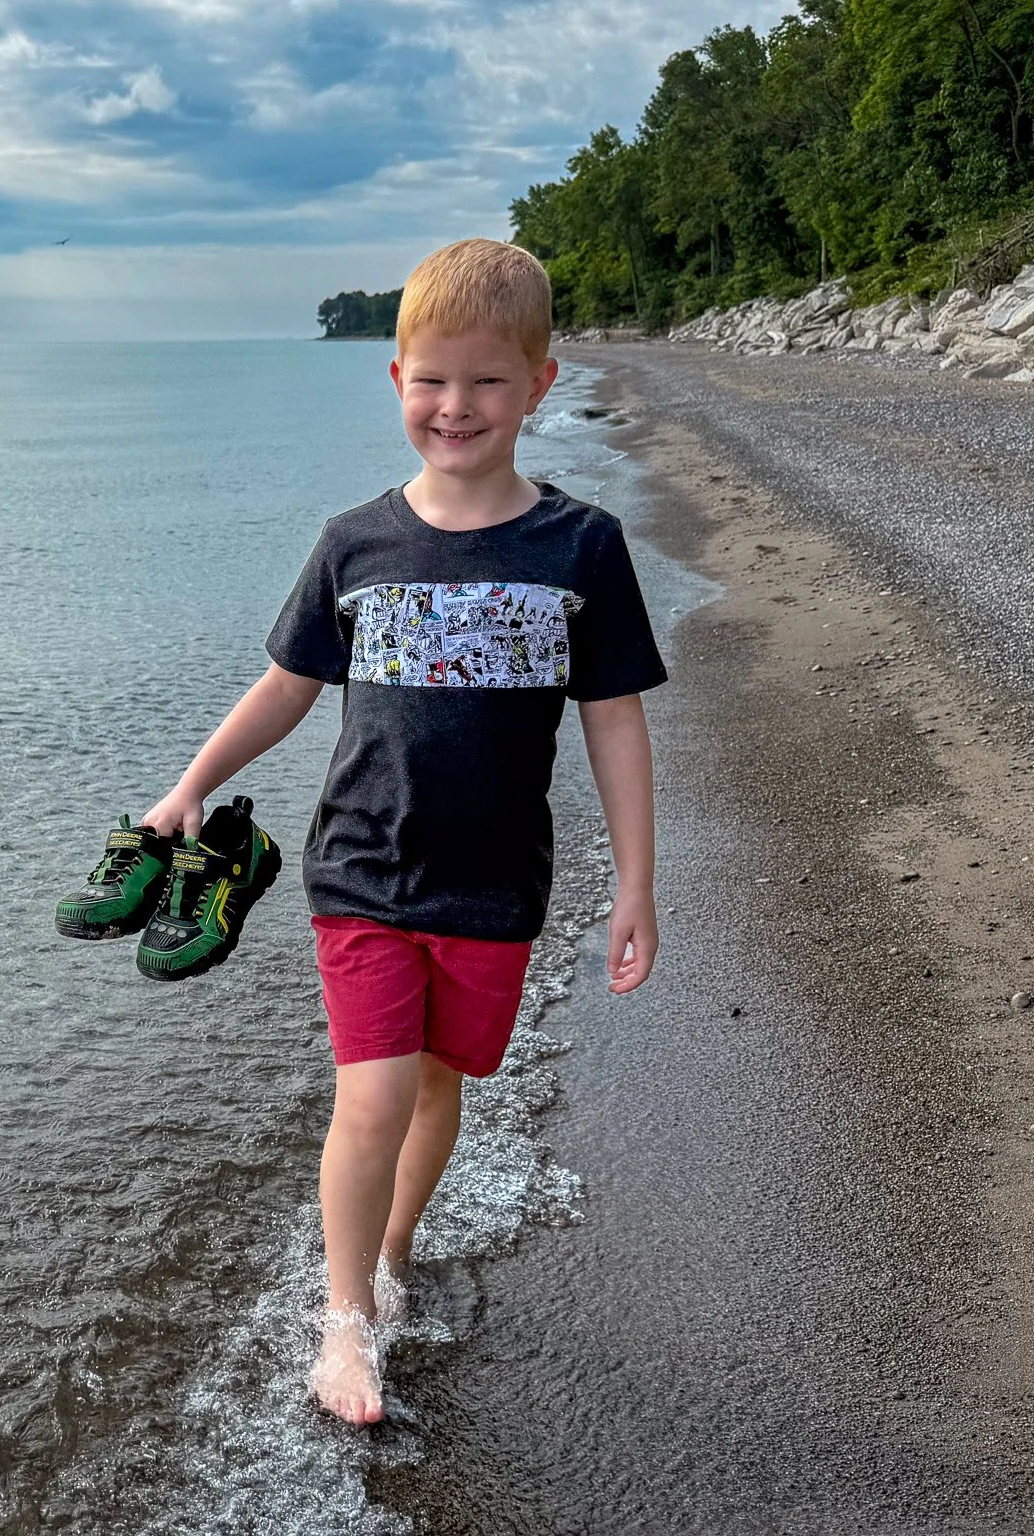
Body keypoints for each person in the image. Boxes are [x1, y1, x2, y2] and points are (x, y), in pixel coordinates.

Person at [141, 239, 666, 1425]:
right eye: (431, 380)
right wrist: (186, 789)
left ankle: (387, 1257)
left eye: (486, 380)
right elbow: (283, 687)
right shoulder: (354, 543)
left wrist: (634, 884)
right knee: (371, 1094)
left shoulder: (579, 548)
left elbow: (614, 726)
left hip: (491, 887)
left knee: (438, 1086)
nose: (455, 406)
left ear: (538, 382)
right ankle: (342, 1326)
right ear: (394, 382)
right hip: (361, 871)